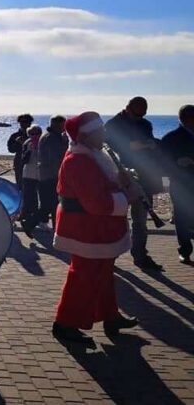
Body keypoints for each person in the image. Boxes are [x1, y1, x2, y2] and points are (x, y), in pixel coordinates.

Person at [51, 112, 141, 344]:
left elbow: (103, 186)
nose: (104, 135)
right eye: (99, 132)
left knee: (103, 273)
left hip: (96, 229)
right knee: (83, 276)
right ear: (86, 135)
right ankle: (64, 323)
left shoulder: (94, 156)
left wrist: (121, 180)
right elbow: (96, 202)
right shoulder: (78, 161)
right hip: (84, 230)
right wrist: (126, 197)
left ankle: (110, 316)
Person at [105, 96, 164, 271]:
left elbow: (149, 146)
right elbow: (107, 150)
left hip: (143, 175)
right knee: (115, 218)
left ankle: (140, 256)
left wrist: (150, 145)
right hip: (119, 176)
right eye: (137, 115)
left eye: (142, 115)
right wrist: (132, 147)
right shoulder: (113, 125)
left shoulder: (145, 124)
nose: (139, 118)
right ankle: (108, 255)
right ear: (128, 108)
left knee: (140, 221)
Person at [161, 105, 194, 264]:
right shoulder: (171, 138)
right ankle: (185, 251)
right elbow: (162, 162)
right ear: (183, 119)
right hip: (180, 183)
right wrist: (177, 163)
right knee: (181, 216)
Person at [37, 115, 68, 228]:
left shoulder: (53, 137)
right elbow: (55, 158)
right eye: (64, 125)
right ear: (57, 125)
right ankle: (56, 227)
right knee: (53, 203)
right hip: (51, 175)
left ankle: (53, 225)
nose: (65, 127)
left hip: (47, 175)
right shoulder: (51, 138)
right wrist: (61, 174)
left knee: (49, 203)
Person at [20, 124, 43, 237]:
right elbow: (23, 160)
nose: (34, 136)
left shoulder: (43, 143)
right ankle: (26, 217)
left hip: (41, 174)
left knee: (41, 198)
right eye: (32, 134)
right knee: (29, 197)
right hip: (28, 173)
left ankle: (34, 218)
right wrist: (29, 150)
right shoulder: (27, 143)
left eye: (37, 133)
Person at [8, 114, 34, 188]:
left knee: (32, 187)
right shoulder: (14, 136)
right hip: (19, 162)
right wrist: (17, 143)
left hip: (32, 163)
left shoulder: (34, 135)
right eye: (21, 122)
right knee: (20, 185)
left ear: (30, 123)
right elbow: (11, 149)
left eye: (26, 122)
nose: (24, 124)